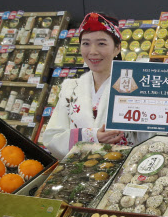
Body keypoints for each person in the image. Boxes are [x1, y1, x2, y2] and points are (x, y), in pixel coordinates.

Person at [43, 12, 149, 159]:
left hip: (125, 172)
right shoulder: (70, 89)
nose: (92, 51)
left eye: (101, 43)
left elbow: (152, 134)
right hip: (78, 173)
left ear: (117, 48)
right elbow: (52, 138)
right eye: (86, 43)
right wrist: (91, 136)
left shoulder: (137, 85)